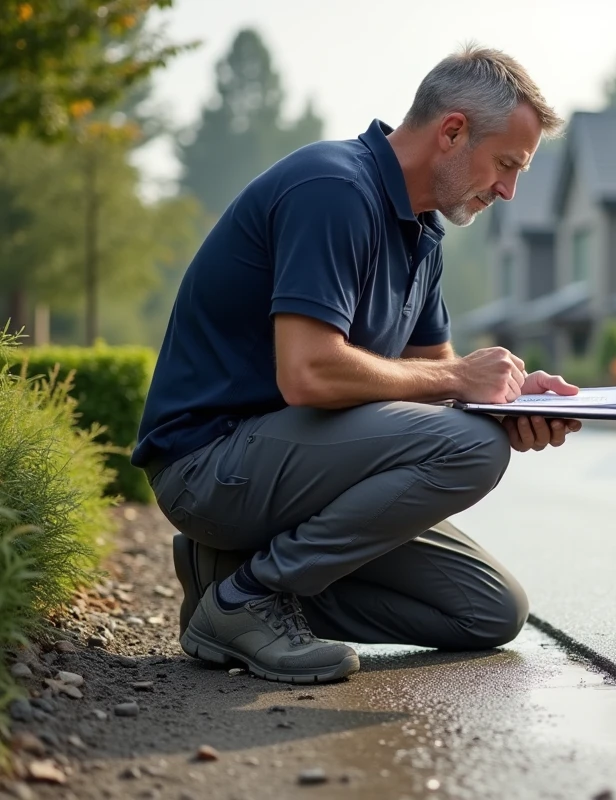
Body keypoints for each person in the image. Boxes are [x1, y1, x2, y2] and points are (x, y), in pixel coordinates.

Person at [132, 45, 579, 685]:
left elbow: (435, 383)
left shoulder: (423, 233)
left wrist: (512, 400)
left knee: (489, 612)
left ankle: (224, 581)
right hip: (209, 465)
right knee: (474, 450)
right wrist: (459, 382)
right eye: (505, 165)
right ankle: (246, 601)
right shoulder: (335, 189)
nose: (507, 190)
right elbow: (308, 373)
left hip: (290, 471)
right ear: (452, 131)